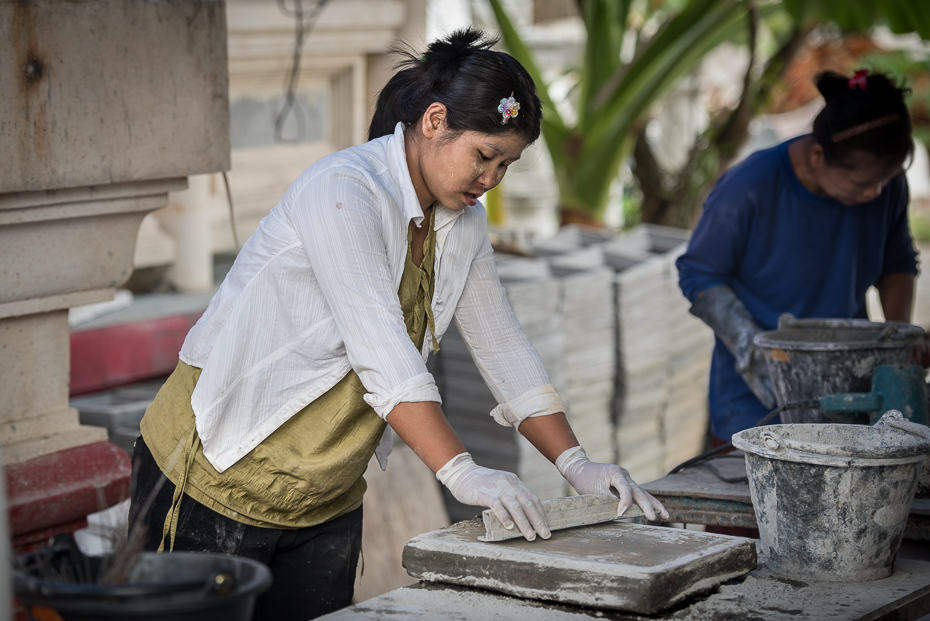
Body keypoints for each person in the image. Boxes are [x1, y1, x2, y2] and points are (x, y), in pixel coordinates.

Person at [129, 28, 669, 621]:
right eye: (483, 156)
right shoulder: (344, 192)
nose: (490, 180)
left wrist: (577, 464)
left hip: (324, 496)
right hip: (216, 472)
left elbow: (503, 345)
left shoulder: (461, 224)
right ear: (434, 121)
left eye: (506, 165)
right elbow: (382, 354)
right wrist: (462, 473)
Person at [677, 69, 919, 445]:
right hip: (754, 402)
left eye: (885, 181)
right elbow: (698, 274)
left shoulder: (885, 185)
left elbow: (898, 261)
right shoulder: (750, 185)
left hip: (853, 385)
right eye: (862, 184)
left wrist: (901, 342)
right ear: (818, 155)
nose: (875, 193)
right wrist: (755, 351)